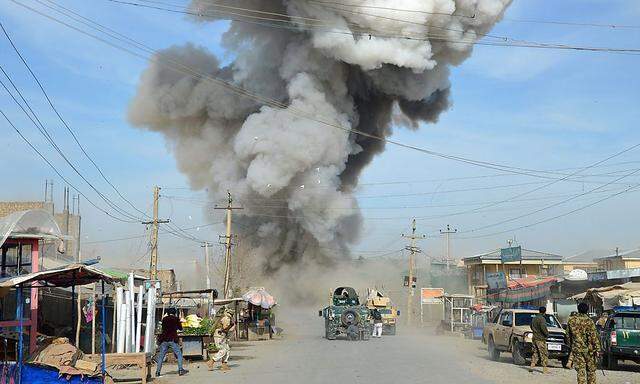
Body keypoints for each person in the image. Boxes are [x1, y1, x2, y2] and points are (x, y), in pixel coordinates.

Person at [567, 302, 600, 384]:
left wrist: (571, 345)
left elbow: (568, 335)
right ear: (587, 310)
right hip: (590, 350)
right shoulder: (590, 321)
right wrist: (598, 349)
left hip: (577, 348)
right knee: (591, 370)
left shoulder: (571, 320)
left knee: (580, 370)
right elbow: (594, 336)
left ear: (578, 309)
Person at [156, 308, 188, 377]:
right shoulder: (176, 319)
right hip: (173, 339)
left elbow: (163, 328)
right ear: (174, 313)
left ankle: (157, 372)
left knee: (161, 356)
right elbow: (180, 328)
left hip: (164, 340)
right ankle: (180, 370)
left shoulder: (164, 319)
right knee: (179, 354)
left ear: (168, 313)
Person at [207, 307, 235, 372]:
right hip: (219, 336)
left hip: (222, 335)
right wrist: (231, 326)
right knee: (223, 350)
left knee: (227, 349)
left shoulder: (225, 317)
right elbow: (225, 328)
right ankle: (211, 361)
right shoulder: (226, 318)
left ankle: (224, 364)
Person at [529, 306, 550, 374]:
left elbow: (531, 326)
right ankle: (545, 369)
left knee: (535, 352)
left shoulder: (534, 318)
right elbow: (543, 328)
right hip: (540, 339)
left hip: (534, 338)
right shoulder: (542, 319)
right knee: (543, 354)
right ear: (544, 312)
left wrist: (535, 331)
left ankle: (532, 366)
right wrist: (547, 334)